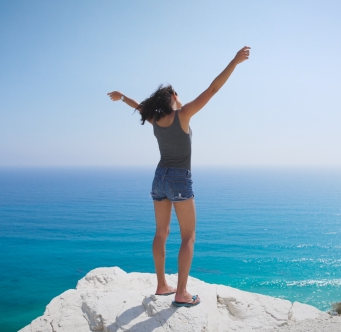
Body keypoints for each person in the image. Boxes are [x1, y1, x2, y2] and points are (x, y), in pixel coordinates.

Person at [107, 46, 250, 307]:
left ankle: (162, 285)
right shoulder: (182, 115)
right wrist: (234, 62)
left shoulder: (155, 118)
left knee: (161, 232)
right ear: (173, 96)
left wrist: (123, 96)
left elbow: (140, 106)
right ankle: (181, 293)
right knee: (188, 236)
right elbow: (213, 89)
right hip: (179, 179)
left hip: (159, 177)